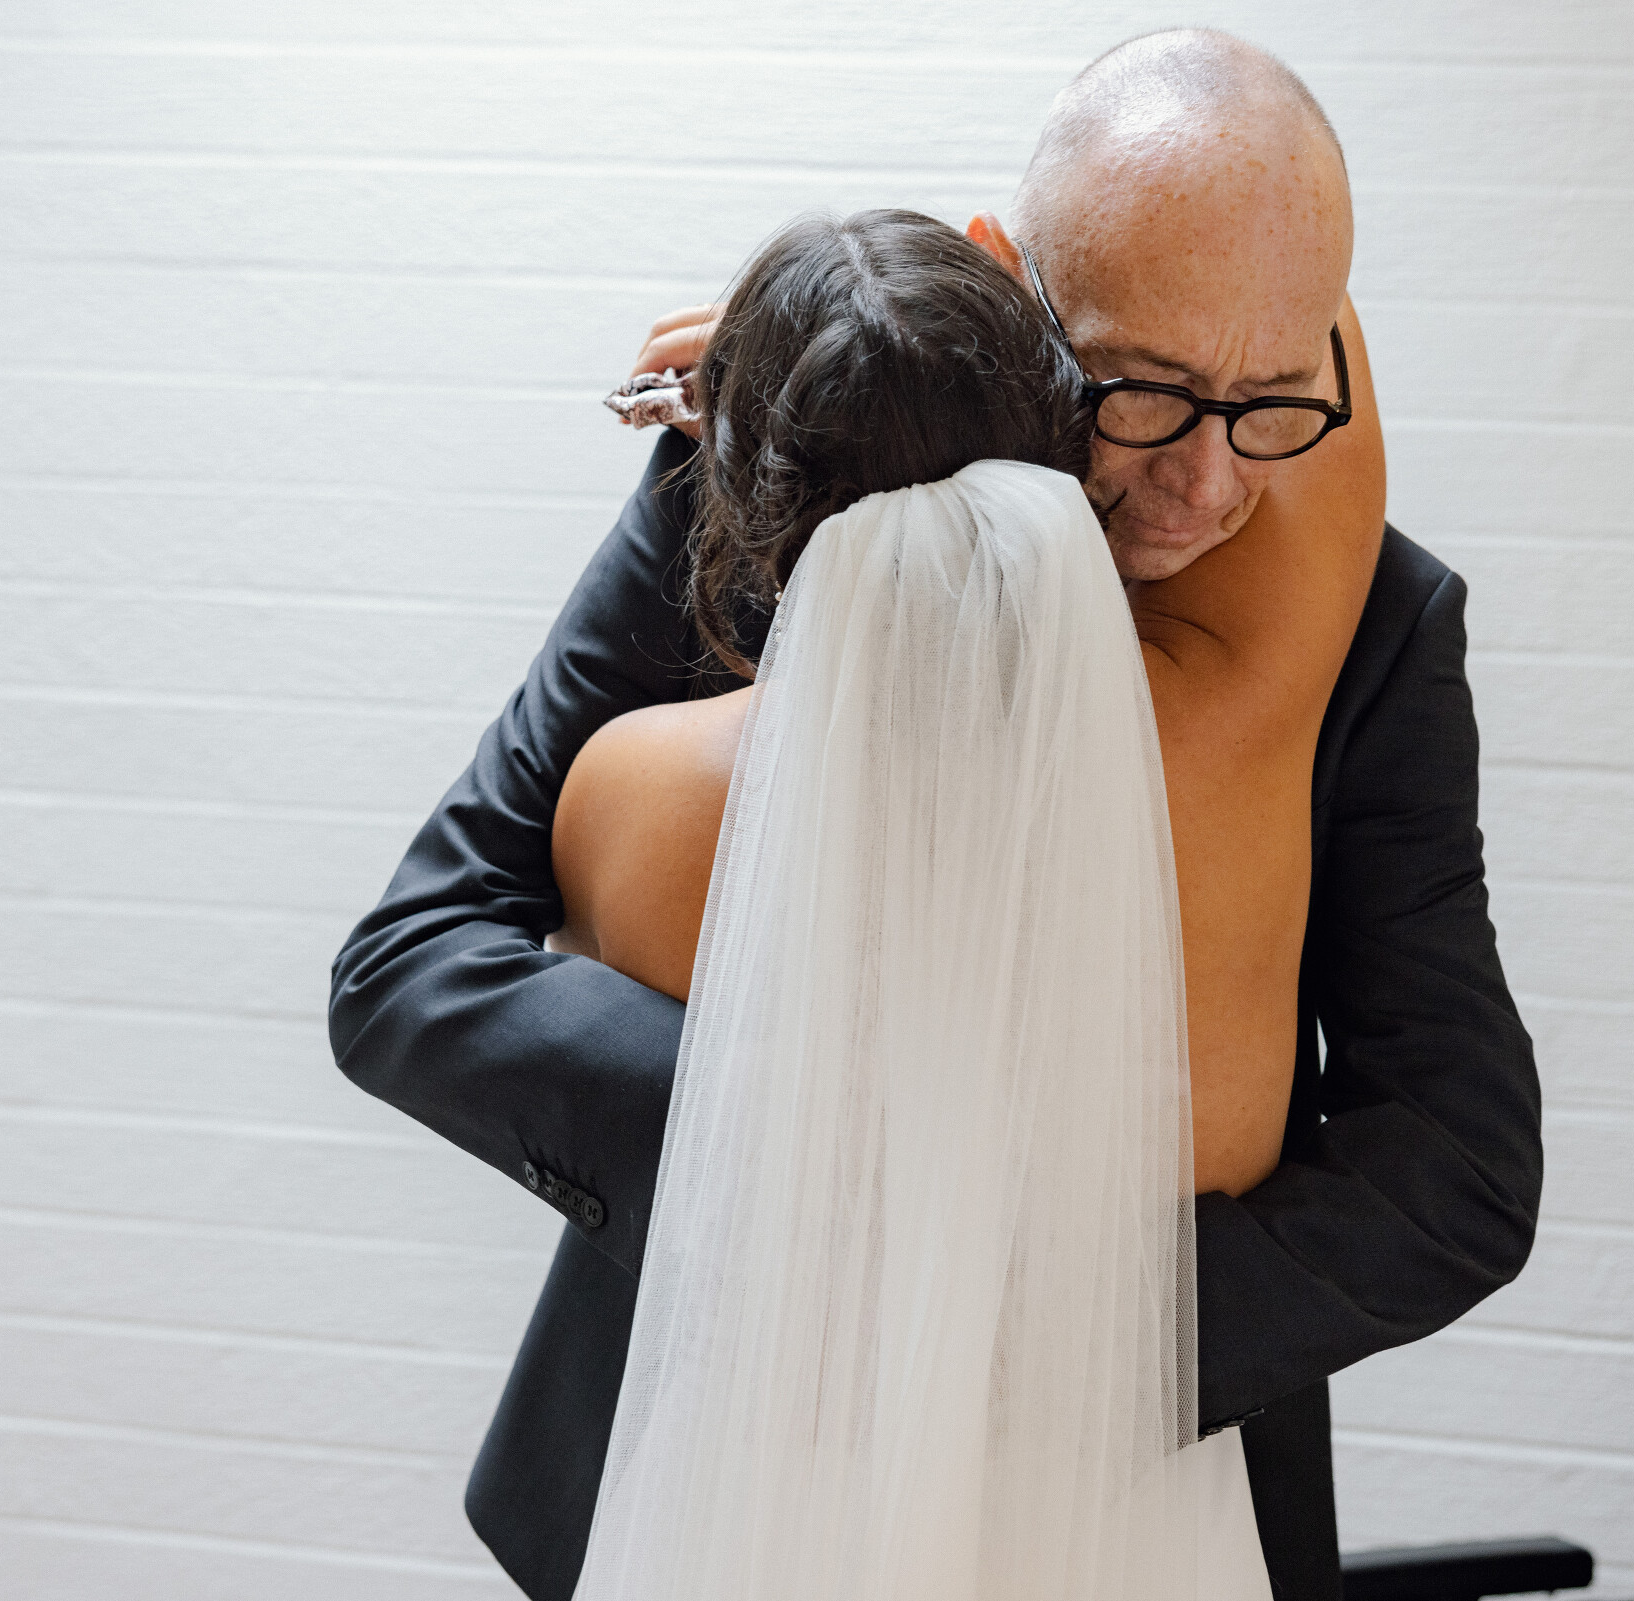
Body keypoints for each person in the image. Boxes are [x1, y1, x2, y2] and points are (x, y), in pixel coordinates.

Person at [329, 29, 1541, 1601]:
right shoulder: (743, 472)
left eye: (1272, 400)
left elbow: (1454, 1163)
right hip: (696, 1475)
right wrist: (801, 1199)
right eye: (1145, 391)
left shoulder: (1373, 629)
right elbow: (415, 963)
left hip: (1140, 1489)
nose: (1203, 486)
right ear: (1013, 289)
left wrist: (1045, 1350)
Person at [561, 207, 1278, 1601]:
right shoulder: (1223, 766)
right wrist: (1011, 271)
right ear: (1061, 446)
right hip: (1090, 1509)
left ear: (743, 497)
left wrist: (792, 379)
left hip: (774, 1497)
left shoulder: (629, 797)